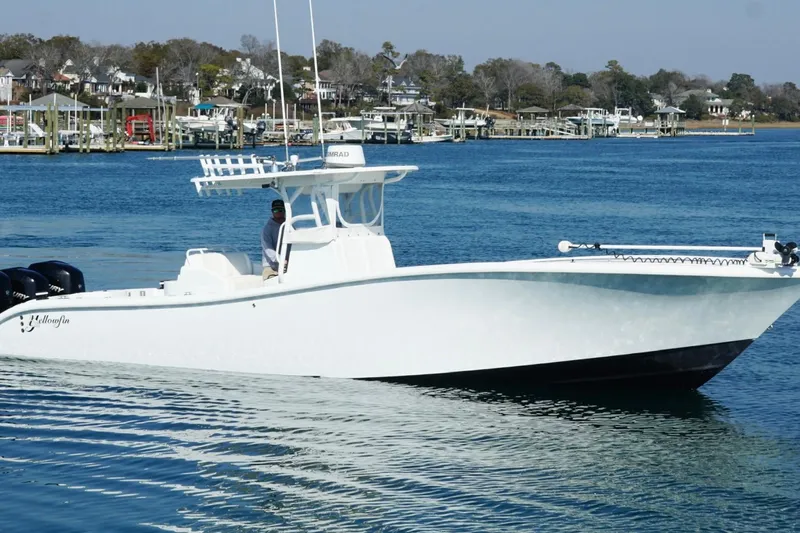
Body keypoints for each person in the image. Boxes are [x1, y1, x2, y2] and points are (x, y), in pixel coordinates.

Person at [261, 198, 286, 279]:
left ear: (285, 211)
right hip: (271, 267)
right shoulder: (267, 229)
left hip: (286, 265)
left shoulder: (290, 225)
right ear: (272, 212)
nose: (278, 212)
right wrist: (281, 259)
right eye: (276, 210)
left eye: (281, 210)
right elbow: (268, 250)